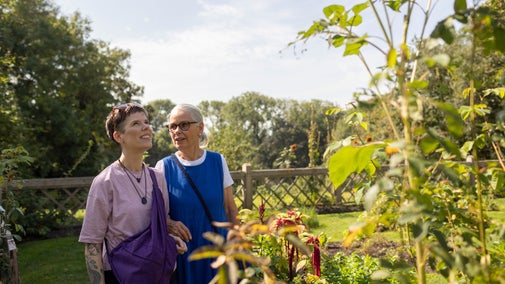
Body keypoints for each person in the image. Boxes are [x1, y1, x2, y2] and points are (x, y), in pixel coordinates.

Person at [79, 102, 187, 284]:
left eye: (146, 121)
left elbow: (159, 224)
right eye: (136, 123)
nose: (146, 127)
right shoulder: (105, 182)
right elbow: (92, 244)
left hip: (161, 271)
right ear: (118, 136)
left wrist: (171, 239)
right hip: (123, 275)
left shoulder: (157, 177)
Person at [155, 103, 239, 284]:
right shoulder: (164, 167)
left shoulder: (218, 161)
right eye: (172, 126)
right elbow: (156, 214)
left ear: (200, 128)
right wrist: (169, 223)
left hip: (219, 252)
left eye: (184, 125)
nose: (177, 131)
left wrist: (237, 245)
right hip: (185, 255)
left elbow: (230, 208)